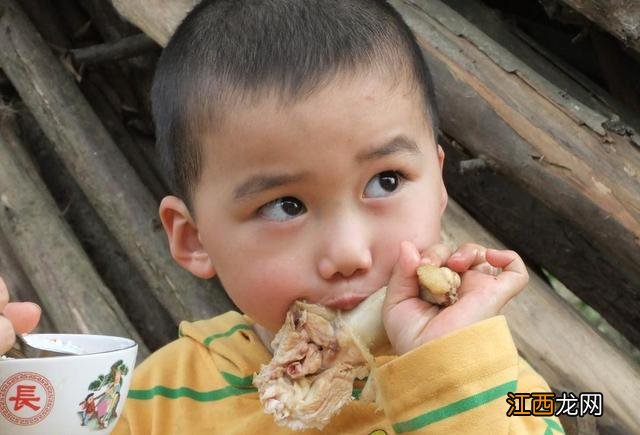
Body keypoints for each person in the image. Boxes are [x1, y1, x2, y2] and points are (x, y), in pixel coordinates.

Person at [0, 1, 564, 433]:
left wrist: (446, 378)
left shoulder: (500, 383)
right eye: (284, 206)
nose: (348, 252)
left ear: (439, 185)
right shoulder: (157, 400)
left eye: (385, 181)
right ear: (195, 239)